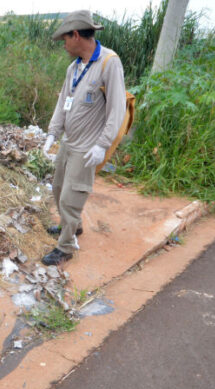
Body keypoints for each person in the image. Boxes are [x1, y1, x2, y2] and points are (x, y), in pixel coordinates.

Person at [40, 10, 126, 266]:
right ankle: (73, 225)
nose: (64, 45)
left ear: (76, 35)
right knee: (57, 189)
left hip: (88, 146)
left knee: (71, 196)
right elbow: (62, 102)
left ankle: (66, 247)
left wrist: (103, 144)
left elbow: (117, 109)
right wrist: (53, 132)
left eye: (65, 39)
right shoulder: (74, 67)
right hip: (68, 142)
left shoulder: (109, 63)